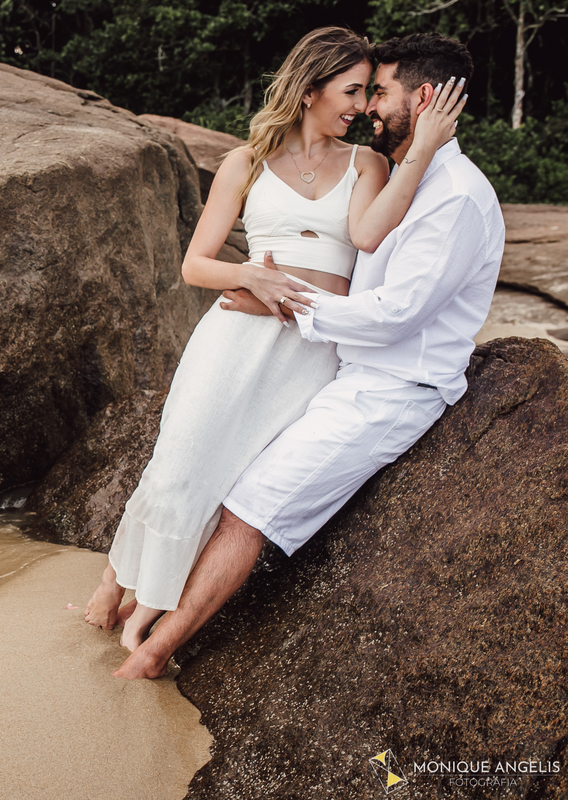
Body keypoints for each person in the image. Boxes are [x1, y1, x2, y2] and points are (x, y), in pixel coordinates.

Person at [111, 31, 504, 680]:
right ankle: (131, 612)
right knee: (211, 470)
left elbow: (395, 315)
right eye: (361, 90)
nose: (369, 104)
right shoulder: (417, 177)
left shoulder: (456, 194)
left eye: (380, 91)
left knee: (250, 507)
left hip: (391, 387)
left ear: (425, 98)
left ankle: (149, 657)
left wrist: (283, 302)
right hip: (346, 370)